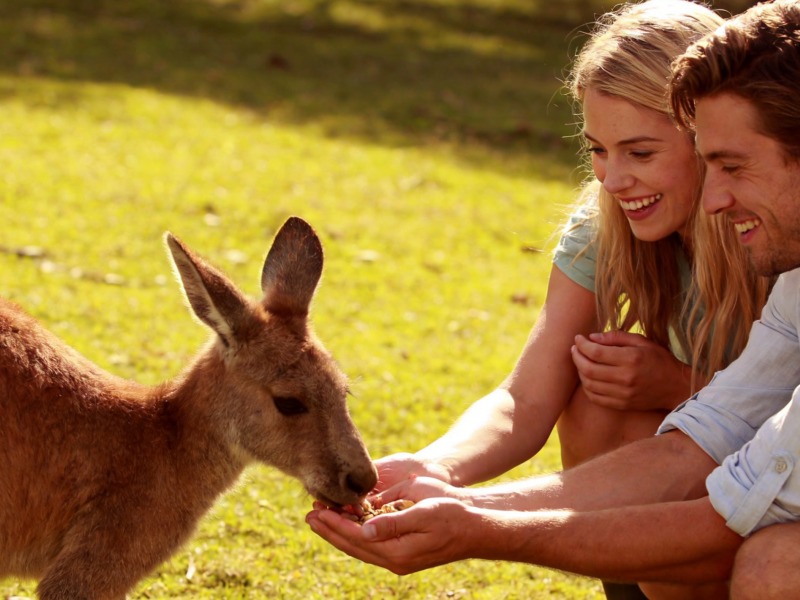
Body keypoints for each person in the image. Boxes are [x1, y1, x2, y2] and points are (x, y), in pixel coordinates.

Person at [305, 1, 800, 599]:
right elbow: (533, 398)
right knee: (599, 401)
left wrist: (479, 526)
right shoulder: (616, 227)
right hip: (746, 464)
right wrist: (440, 477)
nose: (613, 180)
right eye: (597, 150)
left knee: (772, 559)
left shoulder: (775, 240)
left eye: (641, 153)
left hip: (764, 478)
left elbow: (730, 502)